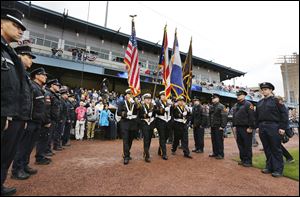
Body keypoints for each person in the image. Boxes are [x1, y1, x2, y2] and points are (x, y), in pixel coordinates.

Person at [1, 7, 27, 196]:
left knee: (4, 156)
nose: (20, 30)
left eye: (22, 28)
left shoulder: (8, 53)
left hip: (8, 114)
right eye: (15, 25)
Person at [11, 46, 39, 180]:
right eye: (28, 57)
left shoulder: (24, 75)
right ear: (19, 56)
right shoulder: (14, 71)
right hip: (16, 116)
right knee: (17, 147)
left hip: (25, 117)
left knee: (26, 146)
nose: (31, 61)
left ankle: (22, 166)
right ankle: (17, 169)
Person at [255, 82, 288, 178]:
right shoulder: (259, 102)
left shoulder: (277, 100)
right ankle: (269, 167)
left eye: (266, 89)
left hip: (273, 126)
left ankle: (278, 169)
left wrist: (282, 127)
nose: (264, 91)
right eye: (263, 89)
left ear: (270, 90)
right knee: (267, 148)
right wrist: (257, 127)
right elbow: (257, 116)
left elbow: (284, 114)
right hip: (262, 126)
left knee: (275, 148)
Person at [232, 90, 255, 167]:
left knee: (247, 145)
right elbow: (234, 116)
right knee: (240, 144)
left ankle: (248, 161)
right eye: (237, 95)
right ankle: (243, 159)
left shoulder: (248, 104)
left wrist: (250, 127)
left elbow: (252, 116)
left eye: (240, 95)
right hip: (238, 127)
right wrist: (234, 125)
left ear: (244, 96)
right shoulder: (236, 105)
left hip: (246, 128)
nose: (238, 96)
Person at [117, 89, 140, 165]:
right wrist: (126, 113)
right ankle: (126, 156)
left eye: (131, 94)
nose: (129, 96)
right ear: (125, 95)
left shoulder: (135, 103)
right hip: (125, 122)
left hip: (133, 123)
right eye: (128, 94)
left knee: (130, 140)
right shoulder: (122, 102)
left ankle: (127, 152)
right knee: (126, 140)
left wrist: (135, 103)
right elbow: (119, 112)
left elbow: (139, 109)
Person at [154, 91, 172, 160]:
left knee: (166, 137)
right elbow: (156, 110)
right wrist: (164, 109)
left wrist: (172, 105)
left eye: (165, 95)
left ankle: (160, 149)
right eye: (162, 95)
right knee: (162, 137)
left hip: (168, 122)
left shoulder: (169, 102)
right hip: (160, 121)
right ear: (160, 96)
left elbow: (172, 111)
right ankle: (164, 153)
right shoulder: (157, 102)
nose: (164, 96)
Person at [208, 93, 228, 159]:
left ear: (218, 99)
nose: (213, 99)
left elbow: (224, 117)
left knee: (219, 140)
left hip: (219, 126)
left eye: (214, 98)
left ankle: (220, 154)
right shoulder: (212, 106)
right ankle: (215, 152)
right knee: (214, 140)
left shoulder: (221, 106)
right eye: (212, 98)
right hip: (213, 126)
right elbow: (210, 116)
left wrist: (222, 126)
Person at [45, 79, 62, 153]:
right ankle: (46, 151)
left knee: (51, 136)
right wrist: (47, 120)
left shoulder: (54, 95)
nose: (58, 87)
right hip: (50, 119)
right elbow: (47, 109)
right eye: (57, 85)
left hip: (54, 119)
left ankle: (48, 150)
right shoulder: (48, 94)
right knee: (48, 136)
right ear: (52, 85)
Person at [139, 93, 155, 163]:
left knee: (149, 139)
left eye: (149, 99)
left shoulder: (153, 106)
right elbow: (140, 115)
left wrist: (152, 113)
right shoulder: (141, 106)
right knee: (146, 139)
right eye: (147, 99)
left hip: (151, 124)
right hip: (144, 124)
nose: (148, 100)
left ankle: (146, 151)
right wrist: (146, 115)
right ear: (144, 99)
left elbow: (155, 114)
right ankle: (147, 155)